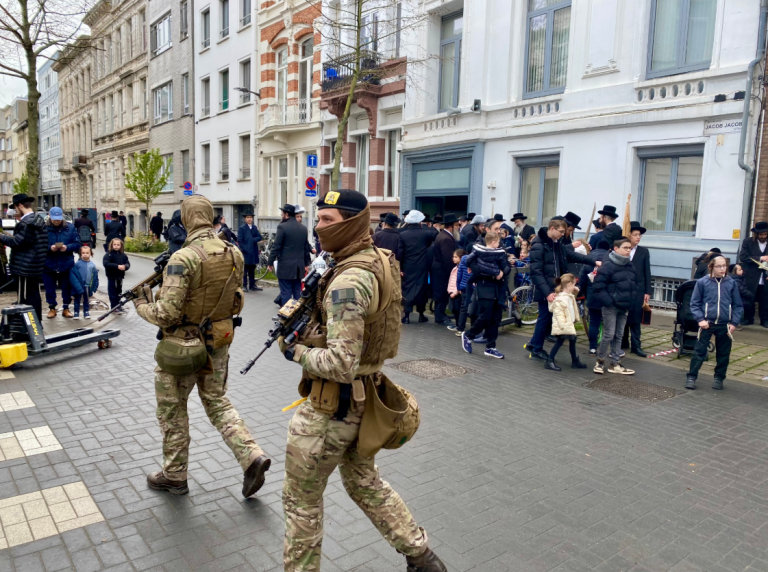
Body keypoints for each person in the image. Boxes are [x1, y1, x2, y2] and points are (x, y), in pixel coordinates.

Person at [278, 189, 446, 572]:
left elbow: (340, 363)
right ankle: (422, 557)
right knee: (364, 482)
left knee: (301, 501)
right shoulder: (376, 259)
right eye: (318, 219)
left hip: (330, 408)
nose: (318, 228)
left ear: (352, 223)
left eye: (328, 221)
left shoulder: (348, 280)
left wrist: (295, 351)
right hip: (363, 400)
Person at [132, 195, 271, 497]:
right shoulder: (232, 251)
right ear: (210, 217)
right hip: (218, 341)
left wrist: (142, 305)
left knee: (173, 410)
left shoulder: (183, 258)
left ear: (184, 220)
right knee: (218, 403)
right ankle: (252, 456)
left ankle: (175, 475)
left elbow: (166, 313)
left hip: (182, 347)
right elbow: (237, 300)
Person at [526, 218, 594, 361]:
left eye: (564, 232)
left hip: (554, 288)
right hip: (546, 290)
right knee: (544, 319)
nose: (563, 234)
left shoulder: (556, 244)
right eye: (561, 231)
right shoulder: (539, 245)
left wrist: (593, 261)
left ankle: (533, 344)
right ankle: (537, 349)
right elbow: (536, 272)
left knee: (546, 319)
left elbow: (571, 256)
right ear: (552, 229)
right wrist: (548, 293)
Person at [686, 256, 742, 390]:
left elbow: (737, 305)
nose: (723, 269)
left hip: (725, 324)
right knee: (699, 352)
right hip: (707, 323)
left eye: (725, 266)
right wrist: (700, 320)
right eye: (719, 266)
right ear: (711, 267)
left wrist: (734, 323)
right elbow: (694, 303)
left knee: (723, 354)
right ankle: (691, 377)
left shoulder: (731, 283)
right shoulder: (702, 282)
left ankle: (719, 378)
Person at [460, 231, 510, 358]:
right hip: (484, 288)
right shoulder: (477, 252)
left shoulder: (500, 253)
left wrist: (502, 272)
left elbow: (507, 266)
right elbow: (474, 268)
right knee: (485, 316)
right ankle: (468, 335)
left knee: (496, 319)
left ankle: (491, 347)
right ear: (493, 241)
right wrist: (492, 273)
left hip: (498, 289)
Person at [0, 193, 48, 322]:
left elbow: (17, 242)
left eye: (15, 208)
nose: (16, 211)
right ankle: (36, 325)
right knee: (33, 296)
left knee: (25, 299)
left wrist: (1, 236)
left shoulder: (27, 223)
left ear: (20, 205)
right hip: (34, 265)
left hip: (25, 267)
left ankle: (31, 327)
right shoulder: (37, 219)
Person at [592, 237, 637, 375]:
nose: (628, 250)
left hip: (624, 306)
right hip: (611, 306)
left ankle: (615, 363)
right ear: (616, 249)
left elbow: (634, 285)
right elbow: (598, 287)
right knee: (609, 334)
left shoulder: (630, 265)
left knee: (619, 335)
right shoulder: (607, 265)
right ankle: (600, 362)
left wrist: (632, 300)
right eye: (625, 247)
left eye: (630, 248)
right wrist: (609, 302)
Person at [268, 204, 311, 305]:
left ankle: (287, 317)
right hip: (298, 268)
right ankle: (298, 316)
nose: (281, 215)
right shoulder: (303, 228)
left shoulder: (282, 227)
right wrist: (306, 264)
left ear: (286, 214)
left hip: (285, 268)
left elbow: (276, 246)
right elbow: (305, 248)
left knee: (286, 293)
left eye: (282, 213)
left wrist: (270, 262)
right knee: (297, 292)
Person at [43, 206, 81, 319]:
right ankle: (52, 308)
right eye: (54, 219)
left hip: (66, 263)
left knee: (66, 287)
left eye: (58, 219)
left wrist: (67, 247)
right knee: (49, 288)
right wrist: (50, 248)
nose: (56, 221)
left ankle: (66, 307)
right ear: (49, 216)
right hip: (48, 264)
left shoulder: (70, 228)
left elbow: (77, 243)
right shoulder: (43, 229)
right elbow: (39, 246)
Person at [545, 273, 588, 371]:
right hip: (563, 326)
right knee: (559, 342)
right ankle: (549, 360)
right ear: (569, 285)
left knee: (573, 341)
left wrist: (575, 291)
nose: (575, 287)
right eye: (574, 285)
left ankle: (574, 361)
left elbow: (571, 297)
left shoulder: (568, 295)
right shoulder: (560, 300)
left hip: (569, 324)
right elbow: (559, 315)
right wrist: (564, 327)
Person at [399, 210, 436, 323]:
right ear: (420, 222)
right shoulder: (427, 234)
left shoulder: (402, 235)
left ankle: (407, 316)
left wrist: (400, 268)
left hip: (407, 266)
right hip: (421, 265)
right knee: (421, 289)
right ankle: (421, 314)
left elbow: (400, 253)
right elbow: (429, 245)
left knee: (407, 289)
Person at [624, 221, 652, 357]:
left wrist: (647, 291)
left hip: (638, 289)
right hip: (624, 289)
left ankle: (636, 345)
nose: (638, 237)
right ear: (628, 235)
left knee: (635, 318)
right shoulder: (622, 250)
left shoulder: (643, 251)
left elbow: (647, 271)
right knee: (623, 316)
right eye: (635, 234)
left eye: (639, 235)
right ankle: (623, 342)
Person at [579, 238, 612, 355]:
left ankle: (592, 347)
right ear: (609, 248)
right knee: (610, 323)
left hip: (592, 295)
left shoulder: (589, 258)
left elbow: (582, 278)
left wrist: (582, 292)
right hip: (607, 296)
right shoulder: (610, 257)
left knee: (593, 323)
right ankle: (611, 349)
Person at [738, 221, 768, 327]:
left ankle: (764, 320)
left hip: (765, 276)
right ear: (756, 234)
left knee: (765, 298)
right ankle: (748, 318)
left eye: (765, 234)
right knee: (750, 297)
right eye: (761, 234)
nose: (763, 236)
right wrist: (760, 258)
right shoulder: (748, 242)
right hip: (751, 275)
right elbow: (743, 257)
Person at [431, 213, 458, 324]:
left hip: (439, 269)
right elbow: (447, 258)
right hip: (442, 270)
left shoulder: (443, 235)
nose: (458, 227)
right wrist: (452, 273)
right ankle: (439, 316)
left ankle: (441, 314)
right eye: (456, 225)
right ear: (450, 226)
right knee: (441, 293)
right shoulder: (446, 238)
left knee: (441, 293)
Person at [70, 244, 99, 319]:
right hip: (79, 285)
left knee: (86, 299)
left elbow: (95, 276)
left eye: (87, 253)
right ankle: (76, 312)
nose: (85, 255)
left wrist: (95, 285)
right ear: (80, 254)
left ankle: (86, 311)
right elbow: (74, 274)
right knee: (77, 299)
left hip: (87, 286)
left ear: (90, 254)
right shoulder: (78, 264)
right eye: (83, 253)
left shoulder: (92, 265)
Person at [237, 212, 264, 292]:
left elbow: (259, 237)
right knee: (245, 269)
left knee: (252, 269)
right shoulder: (242, 228)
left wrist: (253, 240)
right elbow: (240, 240)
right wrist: (244, 249)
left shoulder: (254, 228)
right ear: (245, 219)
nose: (249, 219)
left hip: (253, 251)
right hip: (246, 251)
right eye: (248, 217)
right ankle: (244, 285)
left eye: (251, 217)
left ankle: (252, 285)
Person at [103, 238, 130, 311]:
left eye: (118, 245)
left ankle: (118, 305)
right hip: (111, 276)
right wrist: (117, 266)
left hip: (120, 276)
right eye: (114, 244)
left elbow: (127, 263)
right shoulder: (108, 254)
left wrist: (125, 266)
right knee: (112, 292)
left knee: (119, 291)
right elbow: (106, 264)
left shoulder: (123, 255)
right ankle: (113, 306)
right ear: (111, 245)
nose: (116, 246)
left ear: (121, 246)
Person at [447, 248, 466, 332]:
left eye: (456, 257)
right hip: (452, 292)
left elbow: (459, 281)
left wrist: (455, 292)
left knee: (458, 310)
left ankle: (459, 325)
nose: (453, 258)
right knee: (454, 310)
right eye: (453, 257)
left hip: (456, 292)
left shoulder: (460, 269)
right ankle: (457, 324)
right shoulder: (455, 268)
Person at [730, 263, 753, 328]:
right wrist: (750, 294)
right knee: (741, 309)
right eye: (740, 270)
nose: (742, 271)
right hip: (740, 299)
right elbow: (741, 290)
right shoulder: (736, 280)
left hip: (742, 298)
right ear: (735, 271)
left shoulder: (740, 278)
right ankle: (738, 322)